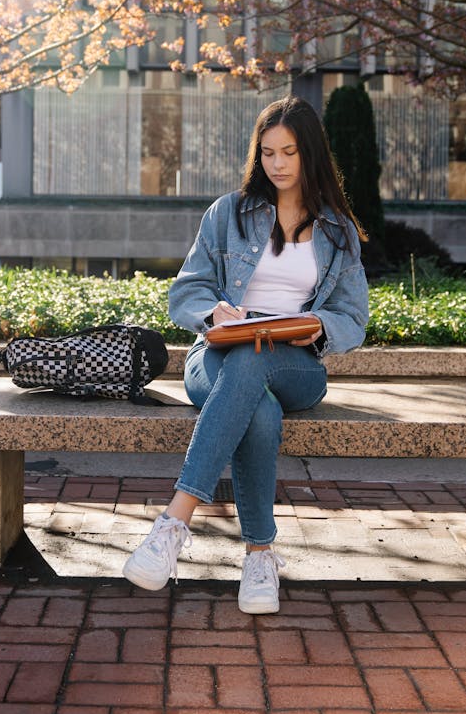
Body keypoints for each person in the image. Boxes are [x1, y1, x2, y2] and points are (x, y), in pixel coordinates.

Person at [122, 94, 369, 614]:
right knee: (254, 401)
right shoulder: (227, 214)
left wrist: (317, 326)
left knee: (258, 359)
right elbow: (185, 292)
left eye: (289, 152)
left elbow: (353, 317)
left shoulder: (338, 229)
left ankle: (174, 522)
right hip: (219, 354)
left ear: (312, 156)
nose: (276, 164)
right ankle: (259, 557)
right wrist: (214, 313)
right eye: (268, 152)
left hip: (296, 363)